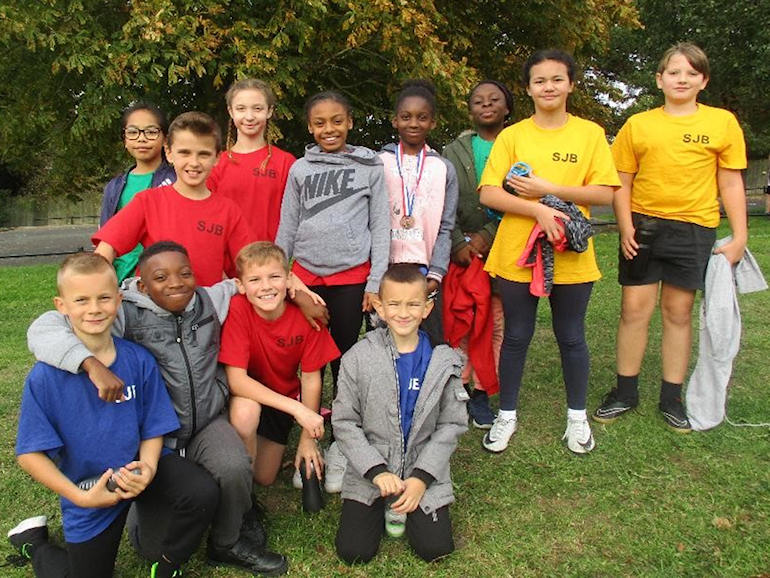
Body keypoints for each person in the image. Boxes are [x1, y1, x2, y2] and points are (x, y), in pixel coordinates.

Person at [26, 243, 288, 576]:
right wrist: (90, 363)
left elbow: (259, 283)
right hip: (154, 440)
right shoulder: (122, 311)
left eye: (184, 273)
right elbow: (45, 328)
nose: (175, 283)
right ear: (140, 285)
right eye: (160, 277)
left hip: (203, 423)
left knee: (233, 465)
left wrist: (299, 290)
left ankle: (227, 540)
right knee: (148, 545)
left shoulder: (209, 301)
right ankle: (38, 542)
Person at [10, 253, 218, 578]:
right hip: (90, 488)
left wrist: (148, 469)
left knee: (201, 491)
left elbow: (153, 428)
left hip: (137, 469)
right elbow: (29, 454)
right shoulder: (45, 378)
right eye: (81, 300)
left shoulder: (138, 360)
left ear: (119, 300)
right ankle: (34, 543)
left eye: (104, 298)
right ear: (61, 306)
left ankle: (166, 567)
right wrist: (80, 496)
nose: (94, 308)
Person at [593, 42, 748, 432]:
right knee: (634, 311)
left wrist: (740, 235)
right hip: (643, 228)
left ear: (704, 80)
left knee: (678, 314)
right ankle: (625, 391)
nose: (682, 79)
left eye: (691, 73)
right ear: (659, 79)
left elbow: (730, 182)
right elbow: (621, 181)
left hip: (695, 229)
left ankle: (671, 396)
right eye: (674, 72)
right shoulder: (638, 125)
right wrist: (626, 226)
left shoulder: (722, 123)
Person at [478, 49, 620, 454]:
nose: (548, 87)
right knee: (516, 336)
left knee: (571, 335)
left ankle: (577, 418)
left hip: (571, 252)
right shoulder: (513, 135)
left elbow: (604, 192)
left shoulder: (589, 133)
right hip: (515, 253)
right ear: (528, 88)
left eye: (557, 79)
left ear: (571, 84)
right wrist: (536, 209)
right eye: (539, 81)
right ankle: (506, 415)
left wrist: (548, 190)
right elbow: (489, 191)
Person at [275, 90, 390, 493]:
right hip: (305, 279)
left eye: (337, 121)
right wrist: (283, 277)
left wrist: (375, 283)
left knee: (342, 360)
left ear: (350, 122)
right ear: (309, 127)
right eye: (320, 123)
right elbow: (287, 226)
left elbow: (381, 227)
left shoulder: (369, 166)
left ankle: (343, 440)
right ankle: (309, 437)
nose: (329, 129)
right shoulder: (300, 170)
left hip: (350, 279)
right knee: (308, 362)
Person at [332, 263, 468, 564]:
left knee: (435, 550)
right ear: (379, 306)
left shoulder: (445, 361)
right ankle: (382, 501)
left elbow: (452, 424)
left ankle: (408, 498)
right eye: (394, 304)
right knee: (354, 553)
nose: (403, 313)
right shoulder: (357, 358)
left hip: (422, 465)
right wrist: (375, 471)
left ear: (427, 308)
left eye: (413, 304)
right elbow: (344, 422)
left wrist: (421, 478)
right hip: (373, 469)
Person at [220, 242, 340, 491]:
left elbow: (310, 379)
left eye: (274, 277)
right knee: (245, 415)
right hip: (244, 396)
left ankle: (245, 464)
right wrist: (297, 409)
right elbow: (237, 381)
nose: (266, 287)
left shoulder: (307, 317)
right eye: (254, 280)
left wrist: (308, 438)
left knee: (264, 476)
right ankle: (240, 490)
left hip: (279, 399)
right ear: (240, 285)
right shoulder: (238, 309)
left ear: (288, 279)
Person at [93, 111, 253, 286]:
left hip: (206, 308)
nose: (194, 162)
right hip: (155, 308)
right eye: (184, 153)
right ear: (169, 153)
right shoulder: (148, 202)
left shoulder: (228, 210)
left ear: (217, 158)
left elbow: (251, 264)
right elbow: (106, 248)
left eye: (204, 154)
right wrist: (96, 290)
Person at [443, 79, 514, 429]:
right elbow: (441, 200)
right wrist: (458, 241)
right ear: (469, 110)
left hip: (506, 247)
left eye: (494, 100)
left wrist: (488, 234)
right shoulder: (453, 151)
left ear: (507, 107)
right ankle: (462, 388)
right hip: (461, 251)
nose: (486, 105)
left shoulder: (520, 146)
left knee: (495, 323)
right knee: (463, 321)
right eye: (478, 101)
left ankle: (485, 390)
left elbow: (524, 201)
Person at [378, 79, 458, 346]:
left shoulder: (443, 168)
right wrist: (375, 269)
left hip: (425, 272)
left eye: (422, 117)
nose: (414, 123)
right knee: (385, 337)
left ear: (432, 123)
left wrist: (436, 272)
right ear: (394, 121)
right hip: (386, 267)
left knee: (430, 338)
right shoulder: (380, 162)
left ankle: (429, 387)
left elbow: (447, 225)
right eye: (406, 117)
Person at [207, 78, 296, 241]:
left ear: (269, 111)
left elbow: (294, 219)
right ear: (231, 111)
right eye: (241, 109)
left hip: (271, 260)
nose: (249, 116)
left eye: (257, 108)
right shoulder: (215, 164)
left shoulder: (286, 163)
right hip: (227, 262)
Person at [100, 102, 176, 283]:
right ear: (124, 139)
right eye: (133, 132)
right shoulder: (114, 186)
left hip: (159, 277)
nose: (141, 139)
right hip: (120, 278)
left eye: (151, 132)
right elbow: (106, 233)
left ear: (165, 138)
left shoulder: (176, 180)